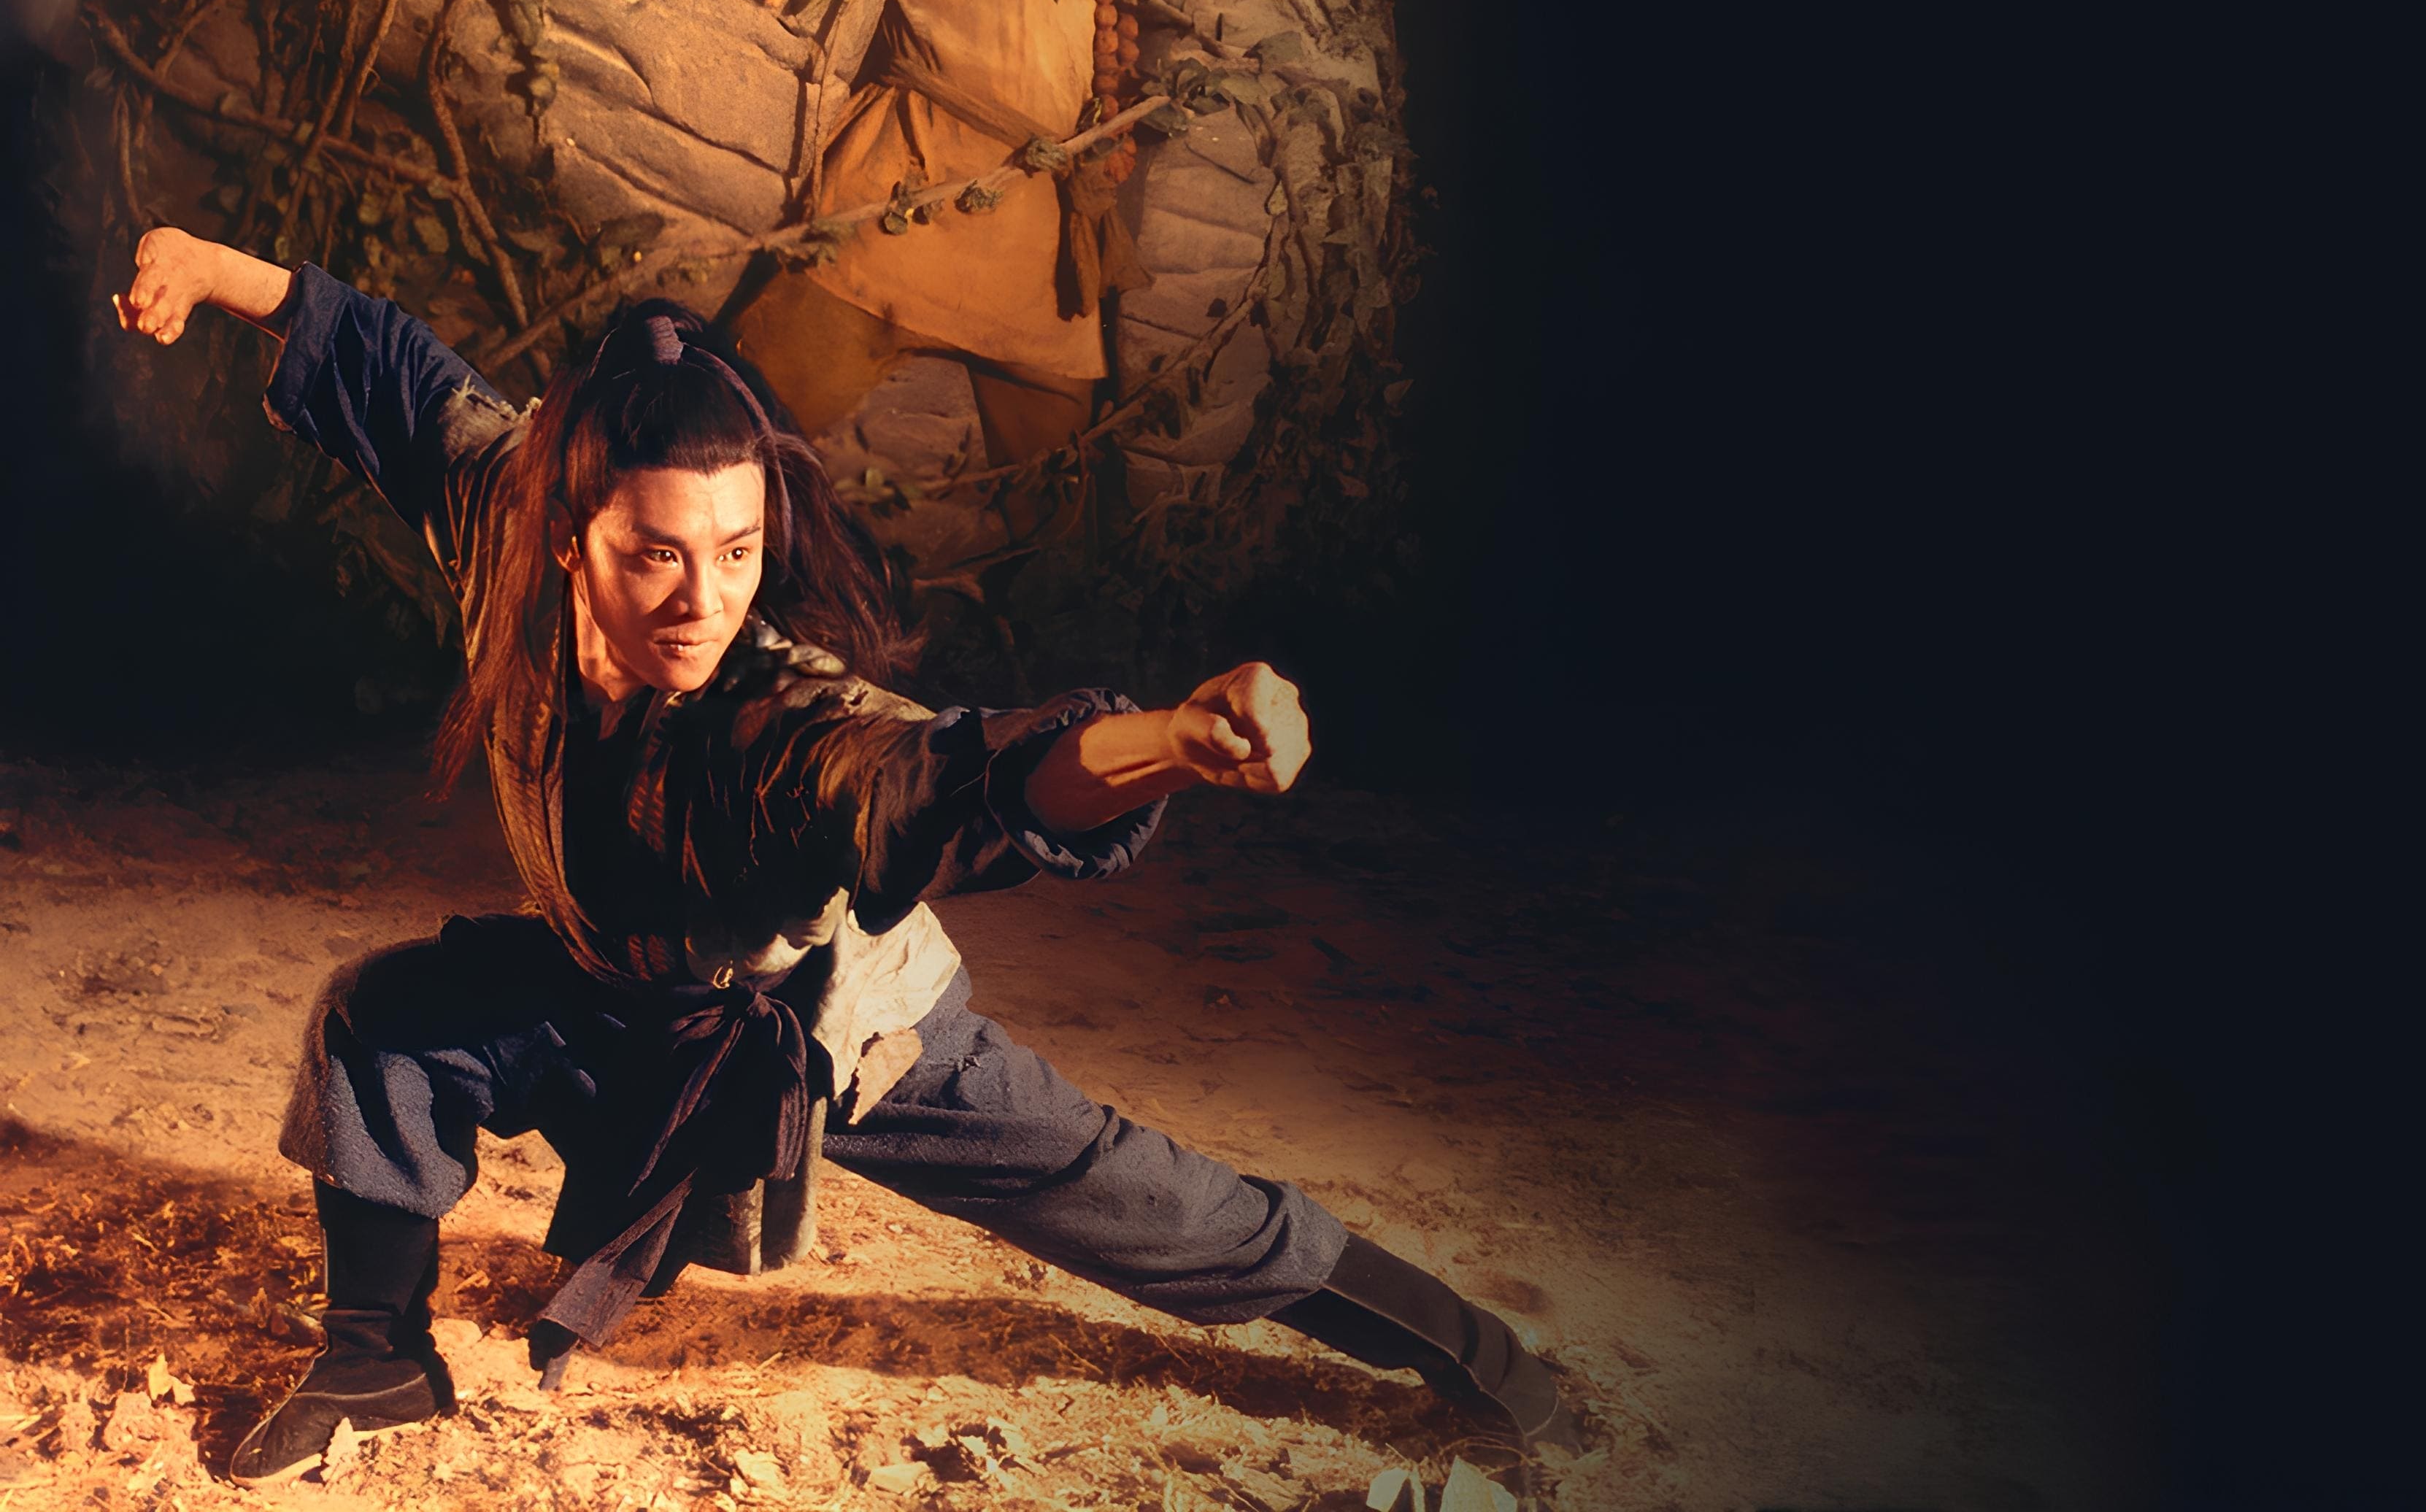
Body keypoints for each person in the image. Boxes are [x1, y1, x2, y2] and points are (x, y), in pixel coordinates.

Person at [113, 226, 1579, 1486]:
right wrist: (202, 267)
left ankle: (1475, 1350)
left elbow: (948, 772)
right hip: (608, 995)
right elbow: (381, 358)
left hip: (824, 1028)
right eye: (658, 553)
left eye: (738, 551)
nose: (703, 599)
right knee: (381, 1025)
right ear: (568, 534)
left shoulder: (777, 717)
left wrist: (1169, 743)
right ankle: (375, 1361)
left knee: (1141, 1199)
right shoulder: (501, 504)